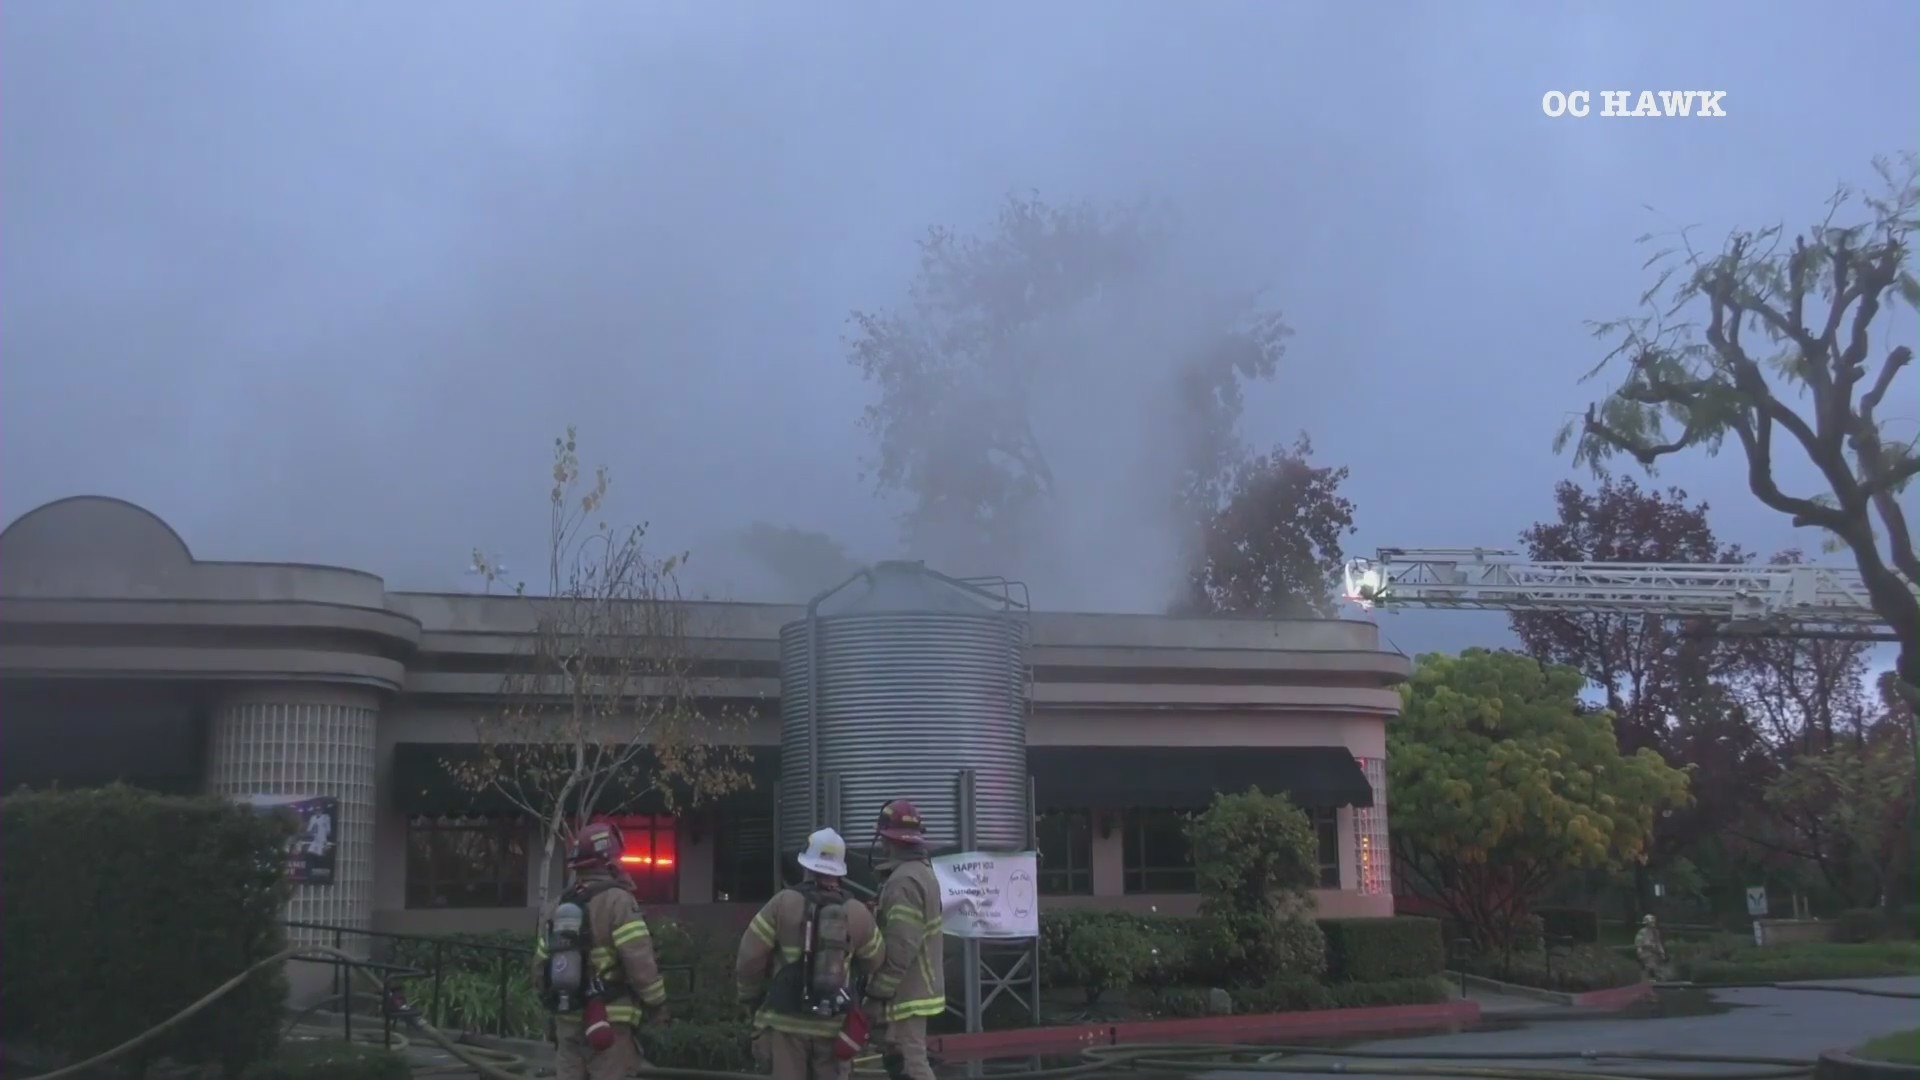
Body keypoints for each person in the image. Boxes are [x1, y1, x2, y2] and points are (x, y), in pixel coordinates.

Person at [735, 828, 885, 1080]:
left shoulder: (782, 904)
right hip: (834, 1028)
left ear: (806, 864)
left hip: (785, 1026)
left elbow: (749, 959)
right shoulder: (858, 913)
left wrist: (750, 998)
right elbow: (875, 961)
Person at [533, 822, 670, 1080]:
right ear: (609, 862)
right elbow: (640, 965)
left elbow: (540, 968)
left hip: (567, 1021)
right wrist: (658, 1004)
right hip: (610, 1025)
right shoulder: (619, 902)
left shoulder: (556, 907)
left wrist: (556, 1006)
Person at [862, 799, 945, 1080]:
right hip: (914, 987)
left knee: (913, 1064)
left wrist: (877, 993)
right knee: (896, 1057)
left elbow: (901, 948)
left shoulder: (903, 882)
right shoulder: (920, 873)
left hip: (906, 991)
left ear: (885, 840)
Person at [1634, 914, 1668, 981]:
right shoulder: (1642, 932)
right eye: (1651, 922)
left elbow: (1658, 943)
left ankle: (1655, 980)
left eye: (1653, 922)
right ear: (1647, 923)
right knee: (1650, 967)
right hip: (1646, 953)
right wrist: (1640, 952)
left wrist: (1662, 953)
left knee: (1658, 968)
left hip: (1655, 954)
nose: (1653, 923)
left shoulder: (1656, 932)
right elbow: (1639, 943)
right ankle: (1648, 981)